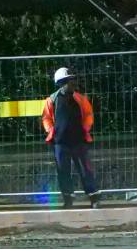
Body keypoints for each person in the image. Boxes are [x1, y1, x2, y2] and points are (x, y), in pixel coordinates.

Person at [42, 66, 99, 209]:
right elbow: (46, 118)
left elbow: (88, 115)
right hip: (60, 142)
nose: (72, 84)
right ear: (61, 83)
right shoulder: (52, 100)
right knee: (63, 171)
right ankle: (68, 199)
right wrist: (51, 130)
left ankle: (93, 197)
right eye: (69, 81)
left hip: (79, 140)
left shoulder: (80, 99)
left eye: (73, 80)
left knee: (85, 170)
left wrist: (85, 128)